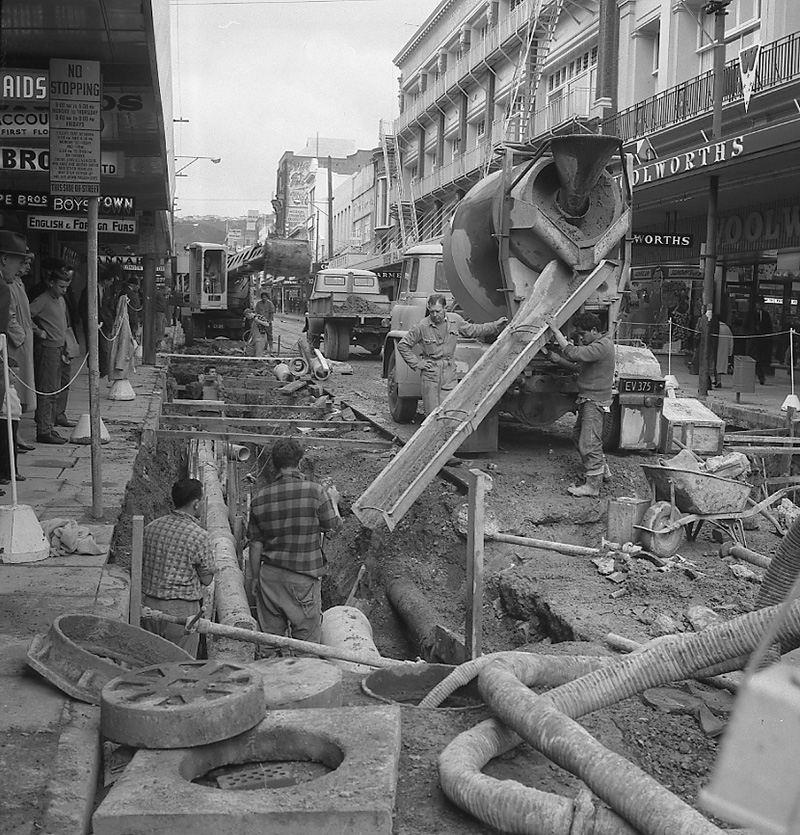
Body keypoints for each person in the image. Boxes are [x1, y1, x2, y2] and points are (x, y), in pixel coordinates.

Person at [247, 438, 341, 650]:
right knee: (305, 649)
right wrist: (333, 501)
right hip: (302, 581)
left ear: (273, 463)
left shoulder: (260, 498)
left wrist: (254, 579)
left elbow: (255, 544)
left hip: (269, 578)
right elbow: (333, 528)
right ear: (299, 461)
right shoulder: (316, 492)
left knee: (269, 645)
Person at [397, 293, 508, 416]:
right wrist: (417, 363)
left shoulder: (455, 320)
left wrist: (495, 326)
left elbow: (474, 330)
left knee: (450, 411)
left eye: (438, 311)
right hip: (431, 374)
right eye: (432, 311)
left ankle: (447, 434)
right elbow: (403, 345)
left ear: (445, 308)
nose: (434, 315)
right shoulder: (422, 326)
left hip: (449, 373)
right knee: (432, 415)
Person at [140, 478, 215, 657]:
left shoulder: (151, 528)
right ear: (196, 503)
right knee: (181, 666)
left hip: (148, 607)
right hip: (181, 613)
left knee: (151, 663)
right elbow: (207, 579)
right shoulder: (200, 536)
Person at [546, 312, 615, 498]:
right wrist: (557, 360)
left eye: (583, 334)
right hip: (588, 399)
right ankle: (602, 469)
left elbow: (575, 354)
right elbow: (579, 368)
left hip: (595, 401)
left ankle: (593, 486)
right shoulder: (598, 346)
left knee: (588, 443)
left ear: (594, 330)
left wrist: (555, 330)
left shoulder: (602, 345)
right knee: (579, 437)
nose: (581, 338)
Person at [29, 267, 74, 444]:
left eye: (66, 287)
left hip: (61, 347)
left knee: (58, 387)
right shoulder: (42, 300)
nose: (64, 290)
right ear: (51, 283)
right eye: (61, 286)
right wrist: (38, 331)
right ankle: (43, 430)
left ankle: (50, 424)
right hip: (48, 349)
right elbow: (25, 315)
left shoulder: (60, 300)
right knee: (47, 390)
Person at [751, 296, 773, 385]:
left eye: (761, 303)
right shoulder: (751, 314)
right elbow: (745, 326)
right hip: (753, 341)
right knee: (754, 359)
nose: (760, 305)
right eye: (758, 303)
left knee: (760, 360)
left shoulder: (766, 315)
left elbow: (769, 327)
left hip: (762, 341)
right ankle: (760, 376)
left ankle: (761, 375)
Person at [253, 290, 276, 355]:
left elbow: (272, 312)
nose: (264, 298)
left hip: (268, 322)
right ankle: (263, 348)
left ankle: (271, 347)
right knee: (261, 335)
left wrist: (270, 320)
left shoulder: (270, 303)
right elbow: (256, 312)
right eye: (263, 297)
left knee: (269, 334)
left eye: (265, 297)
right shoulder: (258, 304)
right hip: (260, 322)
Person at [715, 317, 734, 388]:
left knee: (716, 365)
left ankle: (718, 381)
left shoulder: (716, 327)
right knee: (720, 366)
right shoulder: (727, 328)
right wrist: (730, 351)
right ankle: (718, 380)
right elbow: (731, 340)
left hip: (716, 349)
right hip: (724, 350)